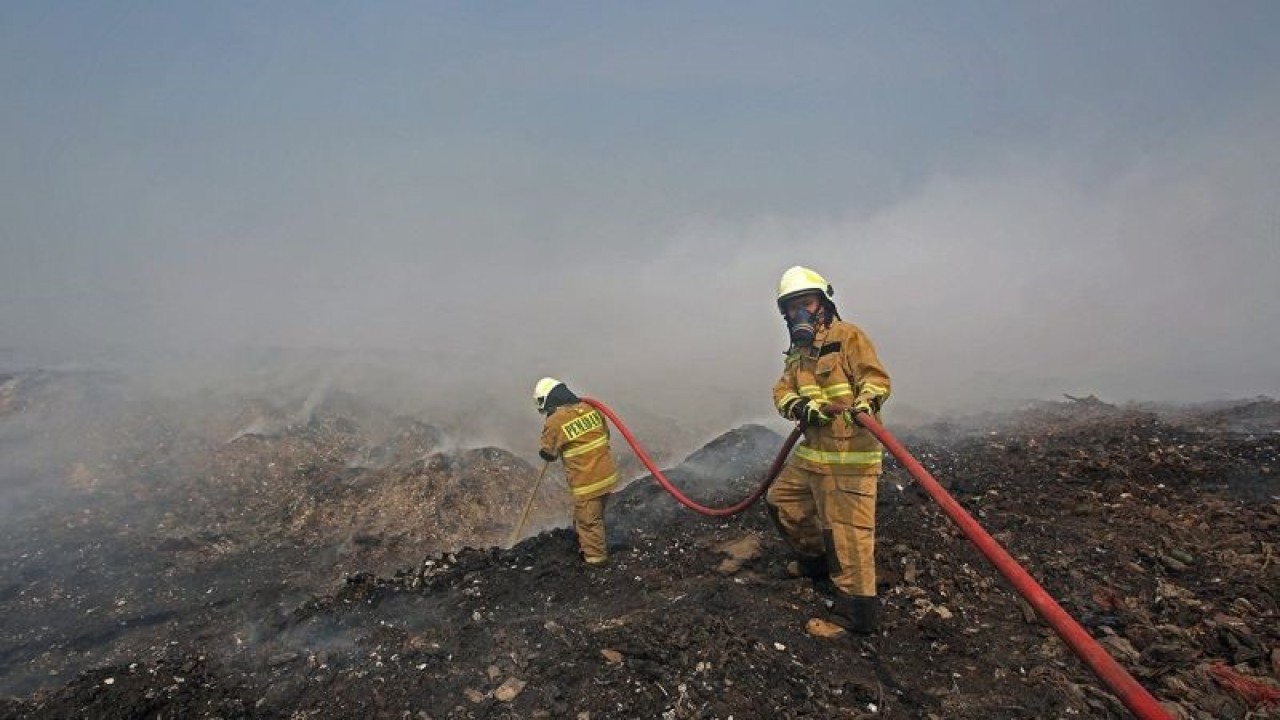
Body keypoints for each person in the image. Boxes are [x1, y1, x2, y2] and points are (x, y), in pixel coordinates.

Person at [766, 266, 891, 634]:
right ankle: (816, 561)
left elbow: (875, 378)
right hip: (815, 453)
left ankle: (856, 614)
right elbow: (782, 389)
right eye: (791, 308)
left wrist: (866, 403)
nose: (798, 313)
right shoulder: (798, 353)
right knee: (781, 501)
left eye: (805, 303)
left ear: (823, 303)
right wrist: (798, 407)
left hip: (849, 455)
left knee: (848, 533)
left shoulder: (847, 336)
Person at [533, 377, 619, 567]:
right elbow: (605, 435)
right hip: (607, 475)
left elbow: (548, 452)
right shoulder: (590, 409)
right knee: (594, 514)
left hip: (587, 481)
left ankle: (596, 562)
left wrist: (549, 442)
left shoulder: (556, 421)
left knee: (589, 522)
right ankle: (588, 542)